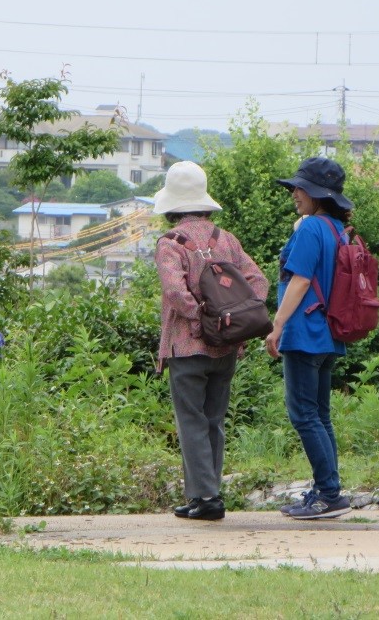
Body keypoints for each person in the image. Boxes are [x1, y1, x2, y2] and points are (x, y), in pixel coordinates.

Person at [154, 161, 269, 521]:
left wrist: (201, 319)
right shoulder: (226, 240)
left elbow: (175, 292)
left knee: (190, 421)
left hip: (188, 347)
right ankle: (204, 495)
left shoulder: (171, 244)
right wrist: (229, 320)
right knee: (214, 420)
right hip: (226, 345)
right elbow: (259, 282)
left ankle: (206, 497)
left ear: (173, 205)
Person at [265, 156, 354, 520]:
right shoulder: (336, 229)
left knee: (303, 415)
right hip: (328, 332)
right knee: (320, 415)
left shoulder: (309, 229)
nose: (294, 194)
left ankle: (329, 494)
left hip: (304, 331)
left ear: (317, 194)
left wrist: (277, 325)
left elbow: (299, 280)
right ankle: (326, 490)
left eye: (300, 189)